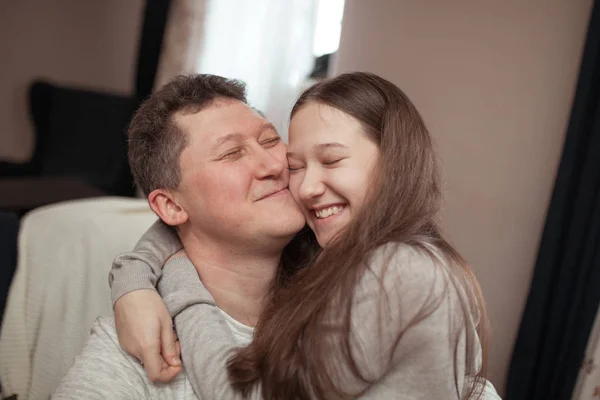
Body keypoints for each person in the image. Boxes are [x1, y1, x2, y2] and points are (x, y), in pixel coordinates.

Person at [102, 72, 500, 399]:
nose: (304, 185)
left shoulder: (397, 270)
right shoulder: (332, 257)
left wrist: (175, 282)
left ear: (394, 162)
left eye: (271, 141)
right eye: (297, 164)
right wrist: (134, 277)